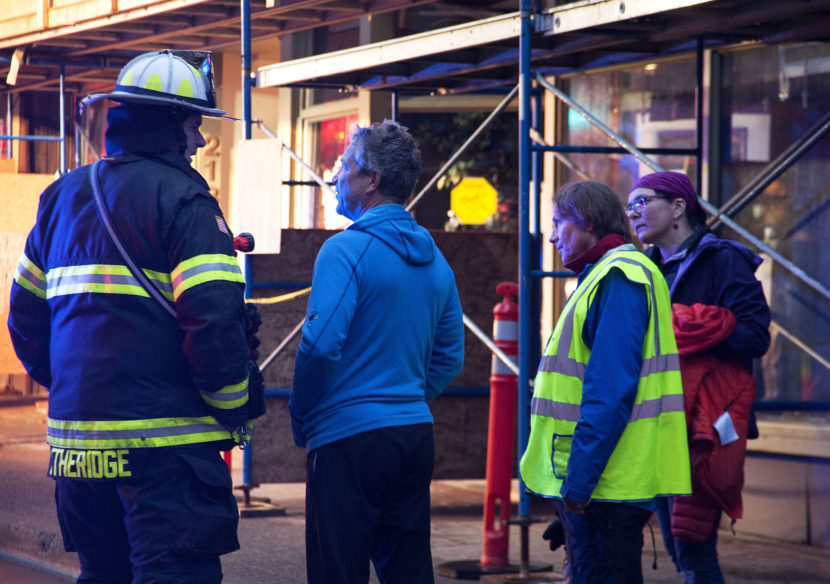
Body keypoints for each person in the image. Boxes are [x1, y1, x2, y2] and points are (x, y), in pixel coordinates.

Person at [7, 50, 263, 583]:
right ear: (169, 125)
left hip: (78, 459)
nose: (199, 141)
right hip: (163, 462)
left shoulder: (61, 197)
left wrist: (81, 389)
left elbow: (25, 320)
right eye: (194, 124)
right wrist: (236, 405)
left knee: (103, 576)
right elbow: (213, 325)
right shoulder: (188, 202)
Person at [290, 120, 465, 584]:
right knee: (408, 569)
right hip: (412, 434)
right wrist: (402, 400)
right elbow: (450, 358)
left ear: (372, 180)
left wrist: (301, 410)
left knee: (337, 572)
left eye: (345, 165)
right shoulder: (436, 259)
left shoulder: (344, 251)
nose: (336, 175)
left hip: (345, 438)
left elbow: (321, 345)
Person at [520, 180, 691, 584]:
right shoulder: (606, 277)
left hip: (606, 485)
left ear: (588, 222)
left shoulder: (618, 277)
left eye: (559, 222)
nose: (552, 234)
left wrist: (578, 484)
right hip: (603, 482)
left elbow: (609, 393)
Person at [626, 171, 771, 583]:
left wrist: (693, 326)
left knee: (693, 549)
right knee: (676, 545)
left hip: (701, 425)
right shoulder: (642, 268)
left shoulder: (723, 260)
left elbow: (755, 335)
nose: (633, 212)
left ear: (677, 208)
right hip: (653, 423)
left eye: (642, 201)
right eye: (629, 204)